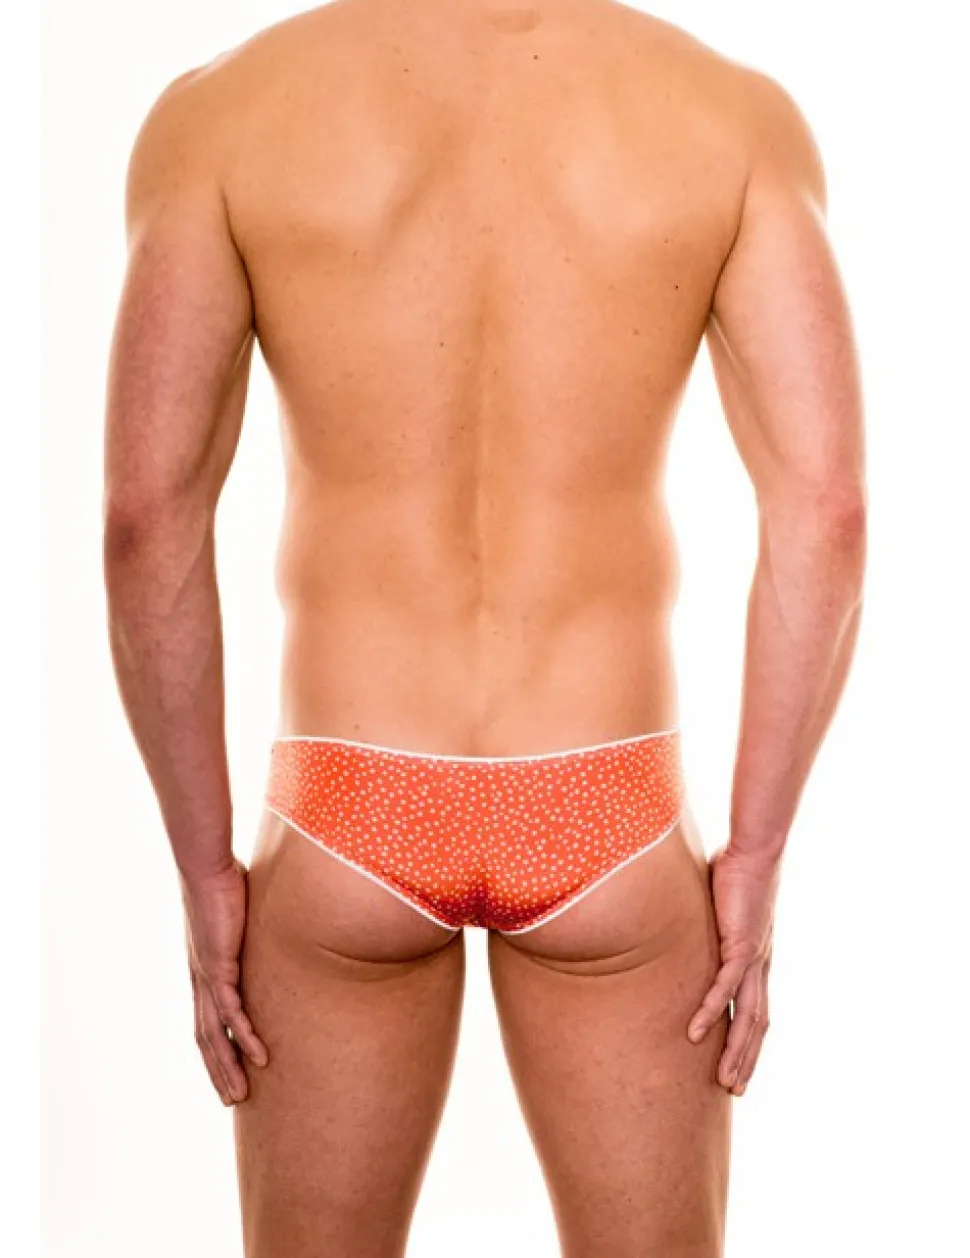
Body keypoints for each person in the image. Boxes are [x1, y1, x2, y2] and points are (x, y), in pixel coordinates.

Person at [102, 1, 867, 1254]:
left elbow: (146, 524)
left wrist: (204, 869)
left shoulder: (223, 116)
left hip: (347, 800)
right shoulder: (731, 120)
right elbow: (825, 515)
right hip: (605, 800)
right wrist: (756, 850)